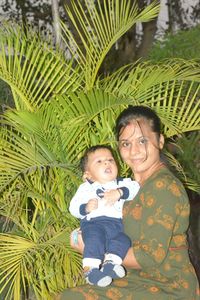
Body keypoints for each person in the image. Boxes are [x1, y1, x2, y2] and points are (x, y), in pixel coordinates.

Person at [58, 105, 200, 299]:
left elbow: (149, 256)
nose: (134, 151)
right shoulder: (127, 187)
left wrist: (91, 248)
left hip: (168, 285)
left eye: (142, 141)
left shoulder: (163, 186)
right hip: (134, 278)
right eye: (126, 144)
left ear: (160, 141)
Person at [69, 145, 140, 287]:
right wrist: (86, 207)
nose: (107, 163)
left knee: (123, 240)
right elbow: (73, 208)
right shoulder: (86, 188)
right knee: (95, 240)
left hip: (117, 225)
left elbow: (136, 188)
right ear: (88, 174)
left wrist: (120, 192)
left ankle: (110, 264)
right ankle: (91, 270)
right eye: (99, 162)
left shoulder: (123, 183)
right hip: (94, 224)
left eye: (110, 160)